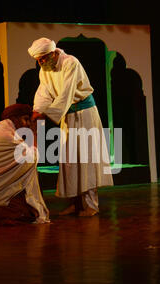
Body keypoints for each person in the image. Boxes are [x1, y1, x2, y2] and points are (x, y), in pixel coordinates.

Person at [28, 37, 113, 217]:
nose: (40, 62)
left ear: (52, 53)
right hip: (68, 116)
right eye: (38, 60)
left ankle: (91, 205)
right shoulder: (45, 69)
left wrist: (47, 114)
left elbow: (66, 92)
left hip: (85, 114)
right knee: (70, 162)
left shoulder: (70, 63)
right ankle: (75, 203)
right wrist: (37, 110)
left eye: (43, 58)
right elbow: (43, 92)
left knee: (86, 160)